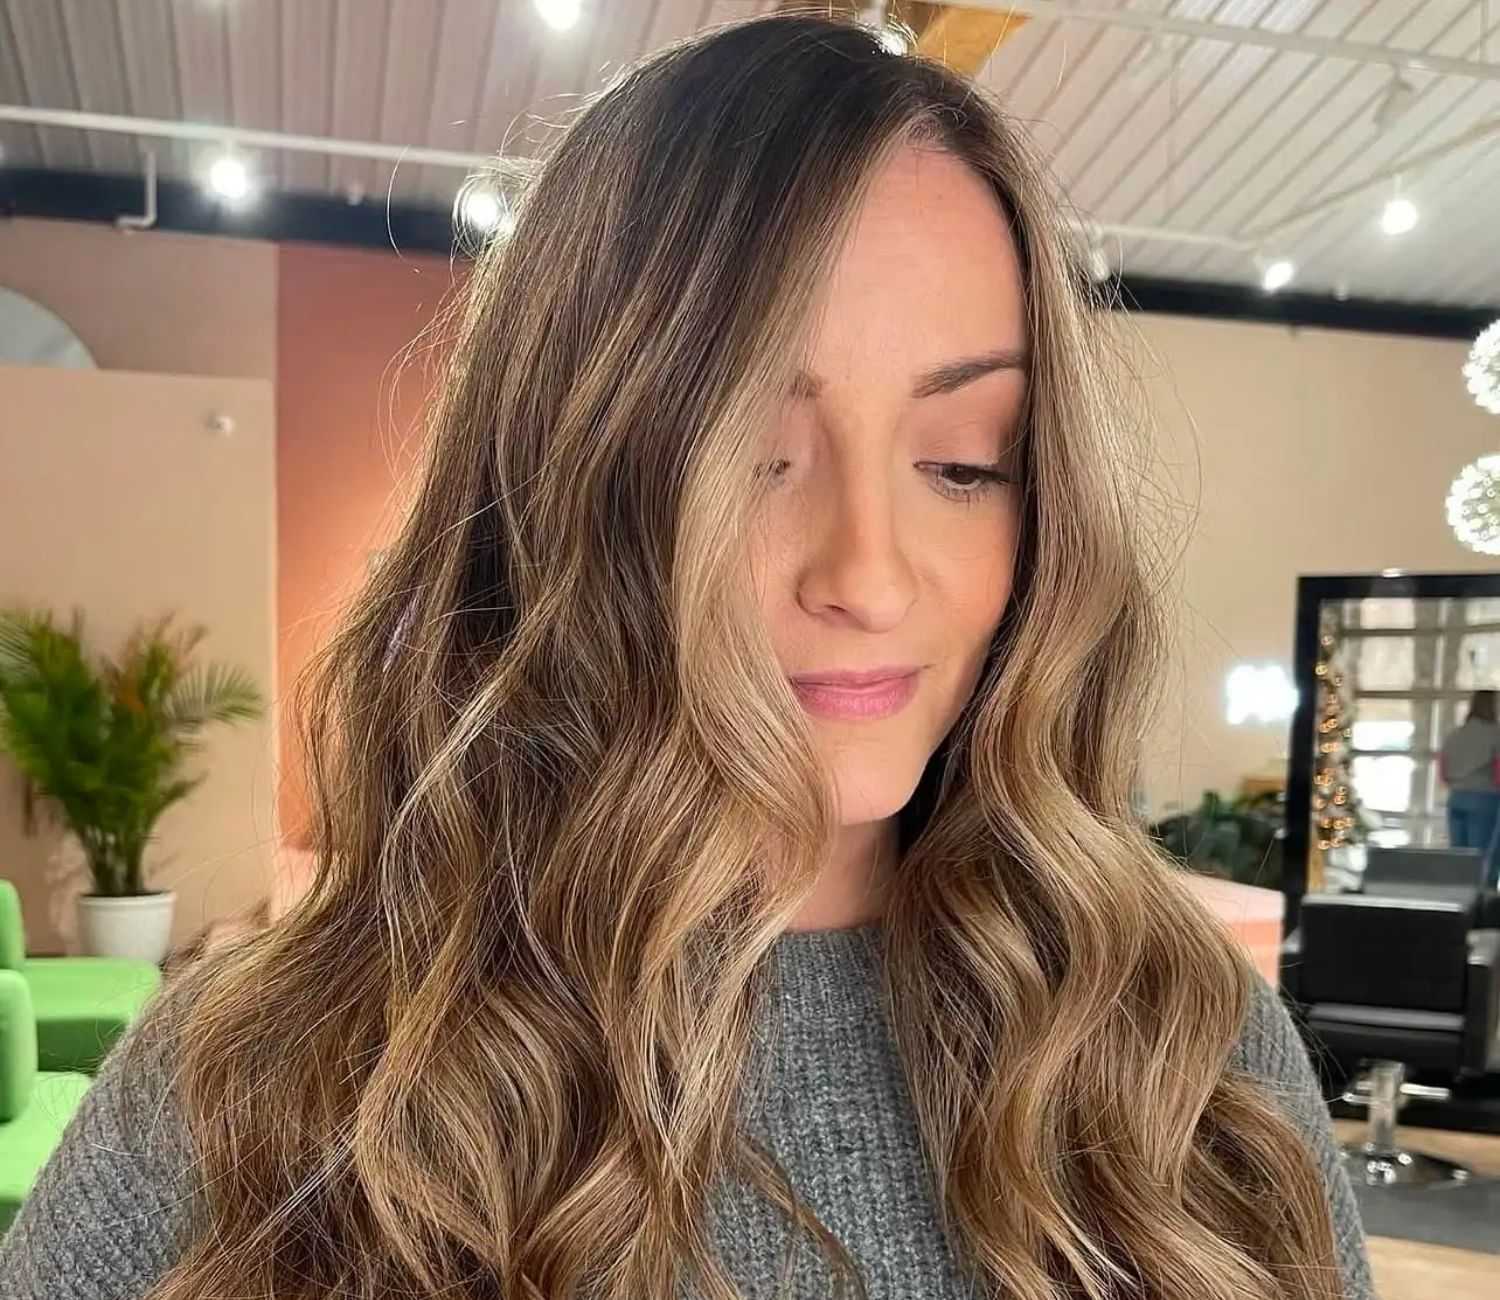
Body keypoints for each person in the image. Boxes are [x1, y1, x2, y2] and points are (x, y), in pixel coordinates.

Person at [0, 15, 1373, 1300]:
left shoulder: (1187, 1058)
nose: (869, 575)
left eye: (965, 464)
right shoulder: (259, 1088)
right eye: (755, 460)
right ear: (569, 484)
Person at [1439, 688, 1500, 889]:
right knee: (1483, 860)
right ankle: (1482, 912)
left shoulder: (1455, 735)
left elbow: (1443, 772)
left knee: (1459, 860)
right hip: (1485, 800)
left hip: (1456, 799)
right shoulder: (1495, 734)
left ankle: (1458, 907)